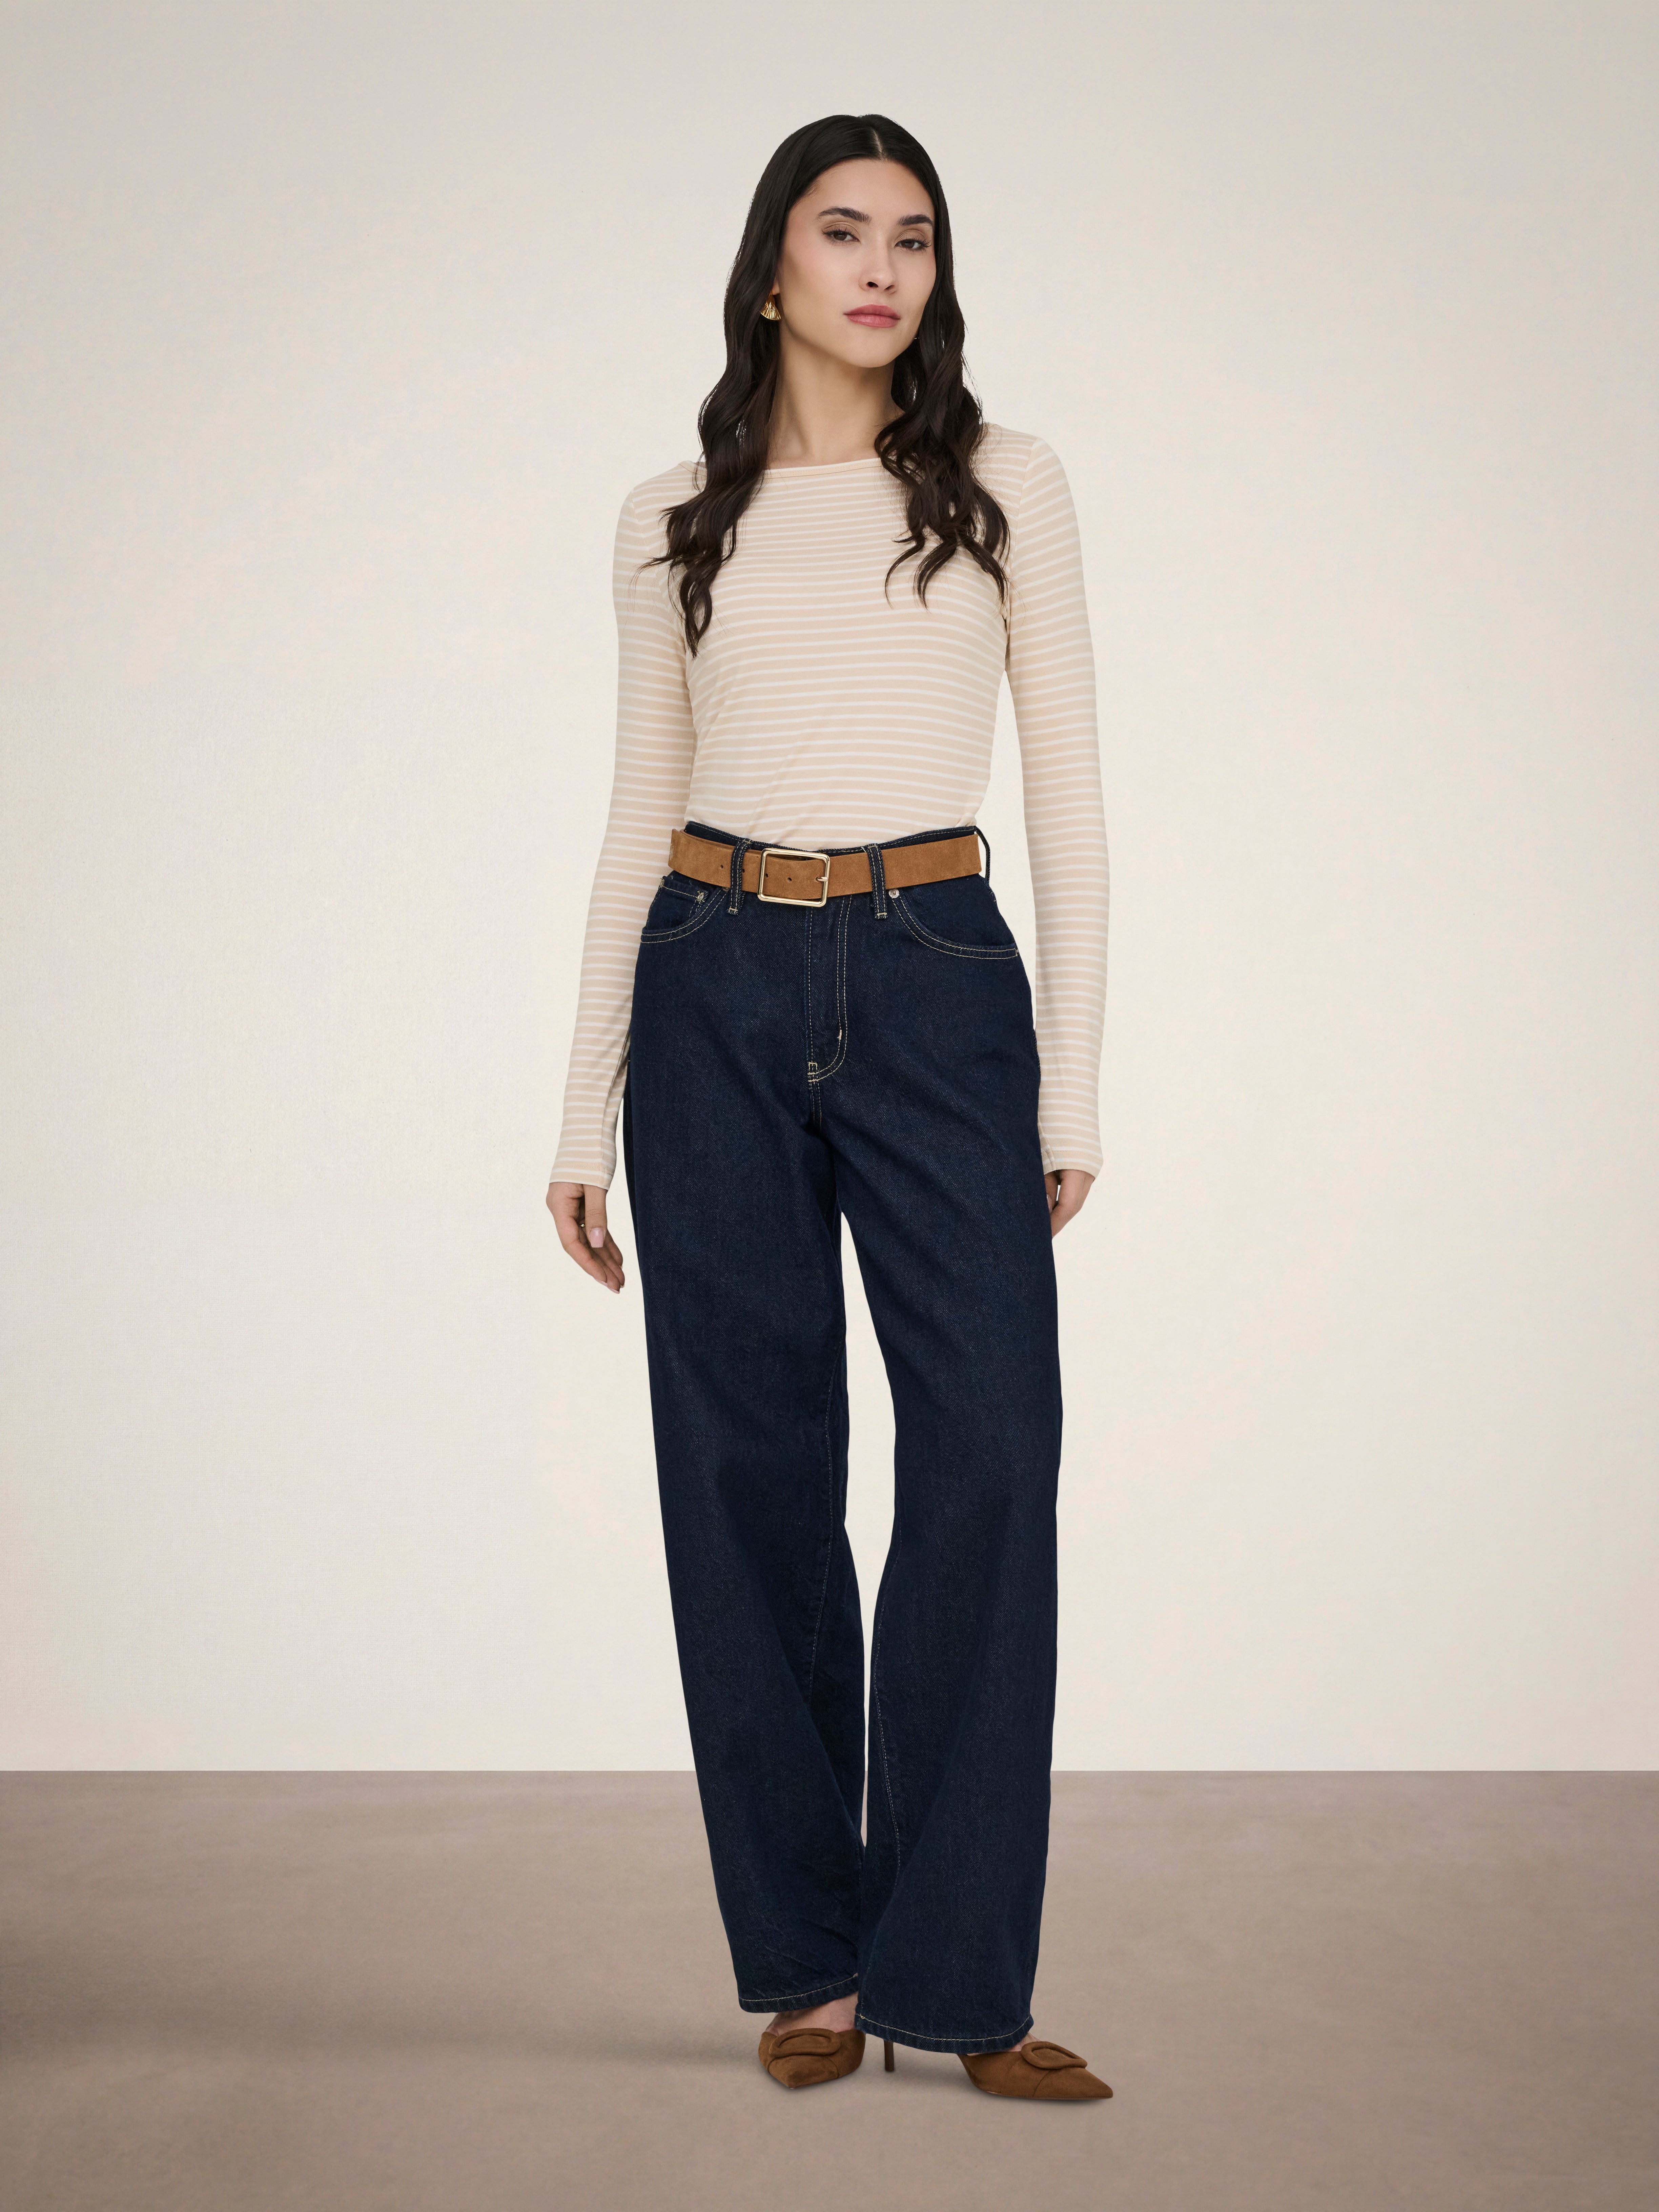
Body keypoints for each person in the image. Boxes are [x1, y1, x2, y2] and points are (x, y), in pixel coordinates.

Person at [546, 112, 1112, 2102]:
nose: (883, 269)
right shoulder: (669, 518)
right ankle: (811, 1966)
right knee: (748, 1470)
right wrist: (583, 1102)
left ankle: (962, 1980)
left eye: (915, 238)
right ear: (772, 267)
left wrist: (1072, 1077)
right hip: (711, 969)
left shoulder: (1003, 484)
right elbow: (637, 803)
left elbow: (1071, 791)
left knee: (992, 1452)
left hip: (939, 969)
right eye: (844, 231)